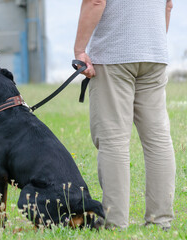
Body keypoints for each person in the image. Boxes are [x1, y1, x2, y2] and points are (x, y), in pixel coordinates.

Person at [74, 0, 175, 230]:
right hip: (154, 53)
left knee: (113, 140)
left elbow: (96, 1)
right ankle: (161, 222)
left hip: (115, 53)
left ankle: (115, 221)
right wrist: (150, 45)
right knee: (158, 140)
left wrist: (80, 49)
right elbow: (168, 5)